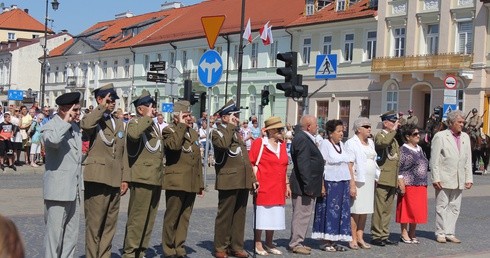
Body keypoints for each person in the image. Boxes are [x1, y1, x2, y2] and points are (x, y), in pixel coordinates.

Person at [81, 83, 128, 258]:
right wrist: (100, 107)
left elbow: (123, 153)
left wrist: (125, 178)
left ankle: (104, 255)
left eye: (114, 99)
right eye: (109, 99)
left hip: (115, 178)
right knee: (94, 224)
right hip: (98, 178)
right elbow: (85, 125)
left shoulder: (118, 123)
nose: (112, 102)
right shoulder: (94, 118)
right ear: (100, 99)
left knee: (110, 224)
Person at [212, 100, 257, 258]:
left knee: (240, 214)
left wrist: (252, 178)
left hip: (242, 180)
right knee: (225, 215)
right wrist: (230, 127)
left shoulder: (236, 133)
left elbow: (245, 158)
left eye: (237, 116)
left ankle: (236, 245)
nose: (237, 119)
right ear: (225, 118)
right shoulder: (217, 132)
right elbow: (223, 145)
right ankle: (220, 247)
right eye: (234, 116)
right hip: (228, 180)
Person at [122, 90, 164, 258]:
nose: (153, 109)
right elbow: (133, 136)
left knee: (149, 220)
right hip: (141, 178)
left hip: (155, 178)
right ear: (141, 109)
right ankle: (130, 253)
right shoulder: (135, 123)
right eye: (149, 106)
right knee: (137, 220)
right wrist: (147, 117)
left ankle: (141, 252)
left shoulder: (153, 126)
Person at [42, 92, 83, 258]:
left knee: (71, 236)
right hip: (58, 190)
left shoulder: (74, 127)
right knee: (54, 237)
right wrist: (66, 119)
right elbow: (53, 141)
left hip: (74, 189)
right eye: (76, 110)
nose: (79, 113)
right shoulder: (51, 125)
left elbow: (75, 157)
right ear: (65, 109)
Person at [161, 100, 204, 258]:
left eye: (189, 115)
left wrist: (200, 184)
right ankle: (168, 248)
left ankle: (179, 247)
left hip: (191, 181)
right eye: (185, 115)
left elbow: (197, 160)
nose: (189, 118)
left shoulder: (192, 133)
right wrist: (180, 125)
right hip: (176, 181)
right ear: (176, 117)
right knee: (172, 216)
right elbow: (173, 146)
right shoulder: (169, 130)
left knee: (185, 217)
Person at [249, 116, 291, 256]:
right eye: (279, 129)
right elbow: (251, 162)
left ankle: (269, 242)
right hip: (264, 184)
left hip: (278, 186)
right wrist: (253, 180)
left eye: (282, 129)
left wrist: (287, 184)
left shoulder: (282, 145)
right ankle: (258, 242)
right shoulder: (260, 143)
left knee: (274, 214)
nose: (282, 131)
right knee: (262, 215)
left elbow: (284, 166)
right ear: (271, 131)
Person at [430, 110, 473, 244]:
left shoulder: (465, 137)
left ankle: (450, 232)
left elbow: (467, 159)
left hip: (459, 178)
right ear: (451, 123)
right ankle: (441, 232)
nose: (462, 124)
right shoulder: (441, 136)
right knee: (442, 206)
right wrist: (435, 178)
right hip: (444, 177)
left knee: (455, 207)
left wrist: (469, 178)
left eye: (463, 122)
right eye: (459, 122)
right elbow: (434, 159)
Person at [312, 119, 354, 252]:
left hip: (343, 183)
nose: (341, 133)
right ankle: (326, 240)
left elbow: (348, 165)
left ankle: (334, 239)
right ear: (330, 133)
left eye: (342, 131)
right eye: (339, 131)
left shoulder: (342, 144)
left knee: (341, 212)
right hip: (330, 183)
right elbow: (321, 165)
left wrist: (351, 183)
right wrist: (322, 185)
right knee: (329, 211)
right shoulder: (325, 144)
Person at [288, 115, 324, 255]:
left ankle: (299, 241)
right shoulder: (302, 139)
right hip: (303, 186)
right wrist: (308, 185)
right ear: (308, 126)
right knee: (300, 214)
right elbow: (303, 164)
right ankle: (295, 243)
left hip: (307, 184)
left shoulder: (304, 137)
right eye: (316, 124)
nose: (318, 127)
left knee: (304, 214)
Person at [344, 117, 379, 249]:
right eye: (366, 126)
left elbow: (374, 161)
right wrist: (351, 183)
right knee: (355, 210)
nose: (369, 128)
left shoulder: (370, 142)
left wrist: (376, 176)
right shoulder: (351, 143)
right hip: (358, 180)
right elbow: (349, 164)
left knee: (364, 210)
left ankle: (360, 237)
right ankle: (352, 238)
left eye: (369, 126)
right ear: (358, 129)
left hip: (369, 180)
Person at [396, 124, 429, 244]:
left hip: (420, 184)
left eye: (418, 133)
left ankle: (412, 232)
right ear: (407, 136)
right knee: (406, 210)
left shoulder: (419, 148)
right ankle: (404, 233)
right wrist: (401, 183)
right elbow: (398, 168)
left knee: (417, 210)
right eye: (415, 134)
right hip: (408, 183)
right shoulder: (403, 150)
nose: (418, 136)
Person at [371, 110, 400, 246]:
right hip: (382, 177)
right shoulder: (380, 135)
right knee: (379, 208)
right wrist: (393, 131)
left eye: (395, 122)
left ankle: (384, 234)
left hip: (391, 178)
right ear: (385, 123)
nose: (395, 124)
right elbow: (382, 144)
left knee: (387, 209)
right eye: (393, 122)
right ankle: (376, 235)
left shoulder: (393, 138)